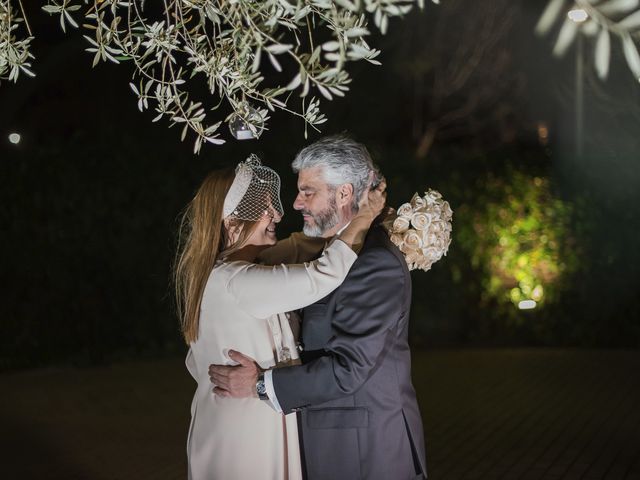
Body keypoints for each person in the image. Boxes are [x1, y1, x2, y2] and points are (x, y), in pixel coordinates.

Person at [209, 136, 428, 480]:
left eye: (308, 191)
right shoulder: (325, 252)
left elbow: (349, 368)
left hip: (363, 454)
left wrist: (259, 386)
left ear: (343, 194)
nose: (296, 204)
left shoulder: (375, 263)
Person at [174, 154, 385, 480]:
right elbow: (323, 274)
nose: (276, 213)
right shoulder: (237, 281)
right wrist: (365, 216)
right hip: (247, 435)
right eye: (262, 208)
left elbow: (297, 248)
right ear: (231, 221)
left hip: (232, 421)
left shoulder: (219, 274)